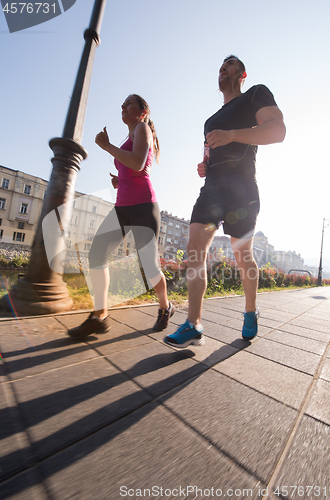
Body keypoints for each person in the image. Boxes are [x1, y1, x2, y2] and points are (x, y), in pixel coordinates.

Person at [164, 55, 286, 348]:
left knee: (242, 255)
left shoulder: (256, 94)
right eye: (221, 64)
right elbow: (209, 154)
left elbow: (277, 131)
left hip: (242, 189)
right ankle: (193, 324)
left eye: (230, 64)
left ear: (242, 74)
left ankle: (250, 309)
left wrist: (232, 135)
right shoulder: (210, 120)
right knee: (194, 249)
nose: (223, 67)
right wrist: (203, 165)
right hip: (212, 189)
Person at [68, 94, 174, 338]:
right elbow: (131, 167)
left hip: (144, 206)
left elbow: (138, 163)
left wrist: (106, 146)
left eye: (129, 103)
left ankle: (165, 306)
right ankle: (100, 315)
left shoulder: (143, 128)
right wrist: (119, 179)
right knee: (97, 253)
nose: (123, 106)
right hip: (122, 206)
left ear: (143, 112)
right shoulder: (130, 136)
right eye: (122, 104)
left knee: (149, 266)